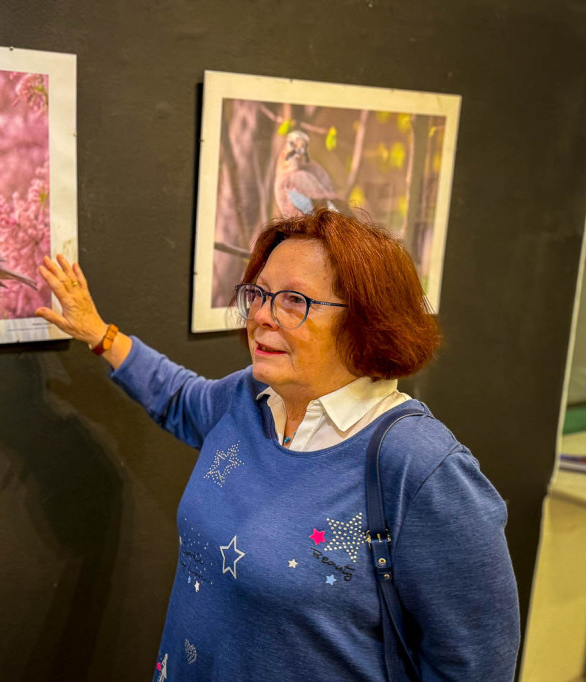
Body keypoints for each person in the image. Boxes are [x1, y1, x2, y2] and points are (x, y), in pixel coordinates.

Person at [35, 209, 520, 681]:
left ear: (366, 321)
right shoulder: (251, 397)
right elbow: (180, 397)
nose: (262, 317)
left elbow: (476, 661)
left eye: (294, 301)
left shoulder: (421, 467)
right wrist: (101, 335)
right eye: (259, 294)